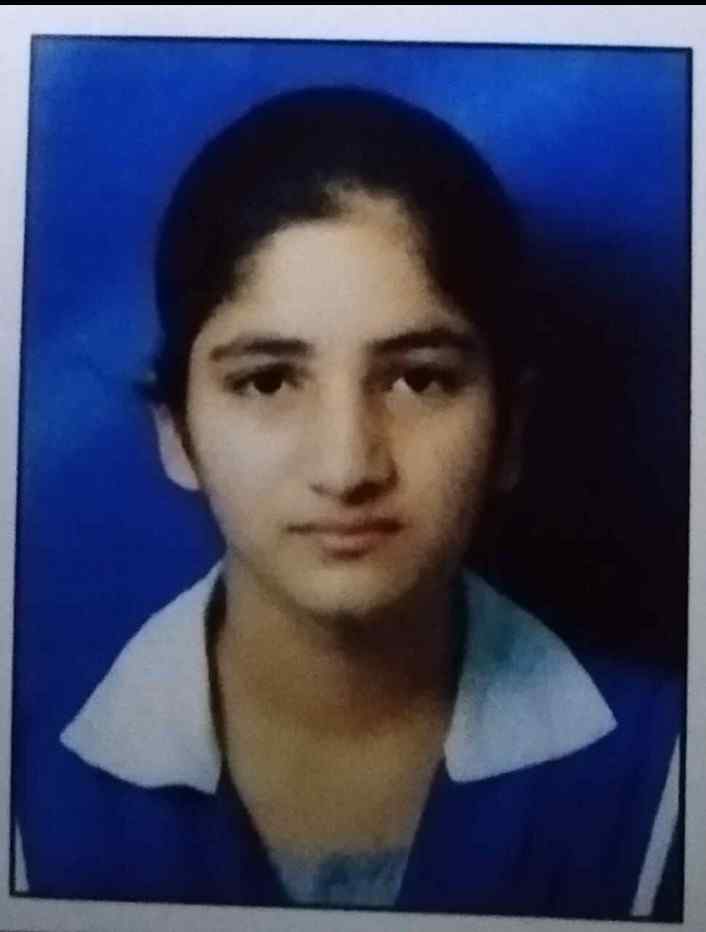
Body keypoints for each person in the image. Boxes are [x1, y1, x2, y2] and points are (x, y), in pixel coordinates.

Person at [16, 87, 682, 918]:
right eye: (268, 381)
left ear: (510, 429)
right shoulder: (27, 801)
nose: (346, 467)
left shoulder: (669, 781)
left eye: (419, 378)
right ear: (176, 434)